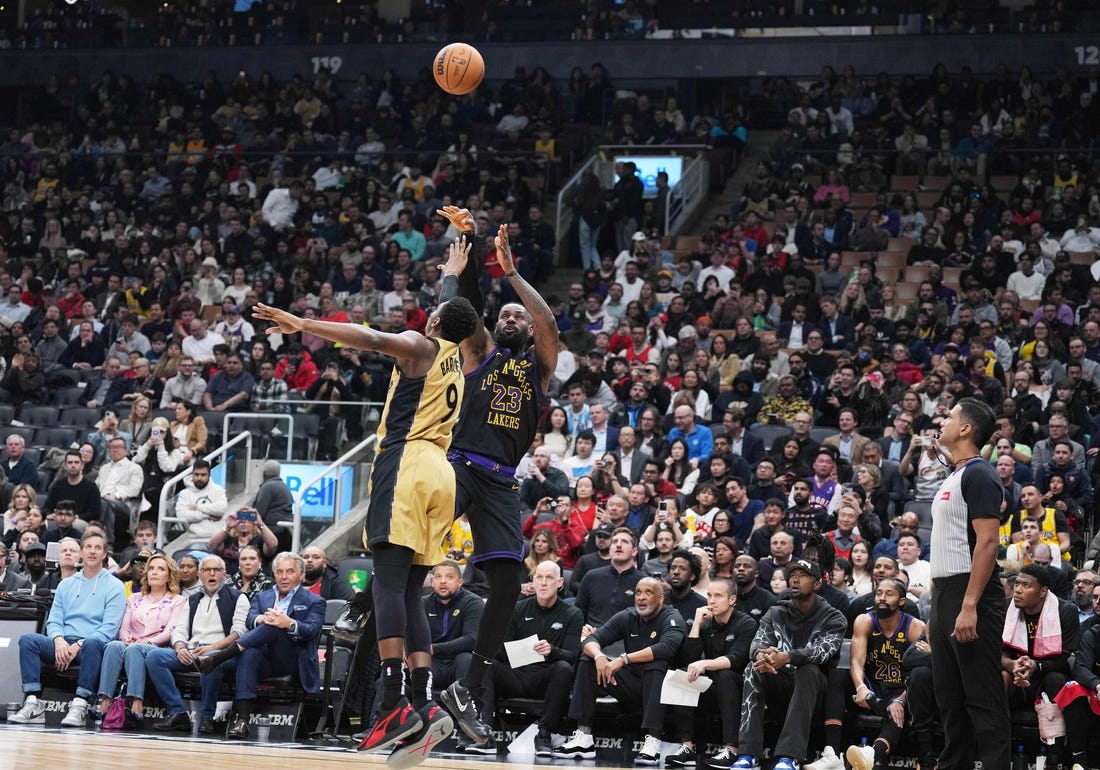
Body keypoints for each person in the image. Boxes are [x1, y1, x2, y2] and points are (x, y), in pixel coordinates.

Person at [253, 235, 480, 762]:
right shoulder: (459, 356)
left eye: (435, 310)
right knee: (411, 591)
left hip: (406, 465)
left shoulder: (422, 346)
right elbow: (453, 310)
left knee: (386, 585)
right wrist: (455, 269)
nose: (428, 313)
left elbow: (368, 336)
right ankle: (424, 704)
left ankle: (395, 701)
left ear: (436, 323)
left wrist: (304, 324)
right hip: (441, 476)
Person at [421, 209, 559, 746]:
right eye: (504, 315)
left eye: (516, 316)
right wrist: (469, 243)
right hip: (459, 465)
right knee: (415, 542)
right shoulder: (479, 352)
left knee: (506, 583)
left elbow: (547, 324)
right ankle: (369, 617)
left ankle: (468, 687)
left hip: (501, 482)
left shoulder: (538, 366)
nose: (511, 319)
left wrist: (515, 275)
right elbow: (461, 310)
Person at [928, 397, 1011, 770]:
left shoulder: (980, 474)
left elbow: (988, 543)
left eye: (950, 416)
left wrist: (969, 605)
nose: (943, 420)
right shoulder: (960, 472)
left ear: (965, 429)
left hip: (969, 592)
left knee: (982, 695)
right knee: (949, 696)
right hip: (944, 592)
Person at [192, 552, 325, 739]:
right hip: (261, 658)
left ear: (300, 575)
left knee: (276, 626)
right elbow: (250, 618)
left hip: (291, 658)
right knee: (251, 651)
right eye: (279, 572)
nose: (284, 577)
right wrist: (261, 618)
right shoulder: (262, 597)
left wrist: (289, 623)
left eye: (289, 572)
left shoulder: (314, 601)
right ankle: (234, 720)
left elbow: (313, 630)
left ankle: (219, 656)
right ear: (274, 575)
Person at [731, 558, 846, 770]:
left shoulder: (833, 617)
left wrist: (787, 657)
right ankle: (748, 752)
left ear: (817, 583)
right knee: (753, 669)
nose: (795, 580)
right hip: (780, 682)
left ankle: (789, 756)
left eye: (802, 576)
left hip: (817, 694)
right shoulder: (777, 611)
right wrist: (762, 657)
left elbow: (822, 653)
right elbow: (756, 645)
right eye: (792, 576)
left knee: (808, 669)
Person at [559, 577, 687, 764]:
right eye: (638, 593)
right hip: (632, 687)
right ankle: (583, 736)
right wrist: (599, 656)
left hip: (664, 692)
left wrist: (623, 658)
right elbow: (591, 640)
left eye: (648, 593)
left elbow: (667, 647)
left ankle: (653, 740)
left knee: (656, 664)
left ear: (660, 598)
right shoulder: (627, 616)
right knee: (588, 661)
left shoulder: (672, 617)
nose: (641, 598)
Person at [10, 532, 126, 727]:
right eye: (88, 547)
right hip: (64, 642)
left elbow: (109, 628)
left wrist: (78, 644)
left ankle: (80, 704)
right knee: (28, 640)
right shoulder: (66, 584)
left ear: (105, 554)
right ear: (81, 552)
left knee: (93, 642)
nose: (92, 551)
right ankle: (33, 702)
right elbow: (54, 621)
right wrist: (59, 640)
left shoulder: (115, 586)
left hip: (91, 645)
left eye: (98, 548)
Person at [475, 560, 583, 758]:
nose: (543, 583)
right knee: (485, 663)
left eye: (549, 578)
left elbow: (572, 655)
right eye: (539, 577)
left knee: (563, 668)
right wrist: (520, 650)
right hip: (515, 675)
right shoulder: (517, 609)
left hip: (544, 679)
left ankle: (544, 734)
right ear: (532, 581)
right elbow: (499, 650)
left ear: (559, 582)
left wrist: (552, 651)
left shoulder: (572, 614)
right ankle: (484, 731)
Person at [147, 555, 251, 733]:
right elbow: (179, 630)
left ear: (224, 575)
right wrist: (180, 648)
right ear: (200, 575)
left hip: (223, 654)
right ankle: (178, 713)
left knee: (210, 660)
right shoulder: (192, 599)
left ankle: (206, 717)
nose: (211, 574)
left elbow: (239, 632)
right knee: (154, 656)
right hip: (192, 652)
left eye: (216, 570)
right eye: (206, 570)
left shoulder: (238, 598)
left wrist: (213, 648)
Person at [666, 576, 758, 769]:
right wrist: (697, 624)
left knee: (725, 675)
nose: (712, 600)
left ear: (732, 600)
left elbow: (736, 659)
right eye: (709, 595)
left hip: (743, 687)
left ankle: (732, 749)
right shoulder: (707, 624)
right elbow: (689, 660)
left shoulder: (746, 623)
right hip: (714, 686)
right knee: (683, 675)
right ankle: (687, 746)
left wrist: (704, 663)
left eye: (718, 596)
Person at [840, 577, 925, 770]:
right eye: (879, 593)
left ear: (902, 601)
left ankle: (871, 753)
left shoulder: (914, 627)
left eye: (889, 594)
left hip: (901, 692)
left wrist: (901, 700)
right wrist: (861, 687)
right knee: (838, 676)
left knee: (896, 713)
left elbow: (921, 673)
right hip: (872, 689)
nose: (882, 598)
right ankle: (832, 751)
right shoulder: (864, 621)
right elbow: (856, 661)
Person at [1000, 563, 1079, 768]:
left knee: (1057, 680)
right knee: (1000, 677)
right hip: (1015, 678)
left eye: (1026, 585)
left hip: (1046, 677)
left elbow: (1064, 660)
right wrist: (1012, 665)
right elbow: (996, 652)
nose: (1017, 590)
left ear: (1043, 591)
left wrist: (1036, 666)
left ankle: (1055, 758)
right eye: (1016, 584)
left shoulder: (1066, 610)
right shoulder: (1005, 607)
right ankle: (997, 753)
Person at [93, 554, 186, 728]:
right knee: (113, 645)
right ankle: (104, 701)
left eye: (160, 569)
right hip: (132, 644)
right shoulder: (134, 599)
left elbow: (170, 631)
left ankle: (137, 703)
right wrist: (126, 638)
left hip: (159, 647)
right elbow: (124, 629)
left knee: (133, 650)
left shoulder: (178, 600)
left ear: (169, 575)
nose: (154, 572)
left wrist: (147, 643)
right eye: (151, 568)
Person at [423, 561, 484, 697]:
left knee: (466, 659)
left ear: (460, 582)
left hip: (457, 663)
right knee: (394, 673)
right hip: (433, 663)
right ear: (432, 581)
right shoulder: (423, 603)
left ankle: (470, 712)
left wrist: (434, 648)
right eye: (438, 577)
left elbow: (472, 639)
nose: (443, 581)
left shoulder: (473, 603)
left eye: (449, 577)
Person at [175, 459, 229, 540]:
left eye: (203, 475)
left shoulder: (218, 490)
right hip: (194, 539)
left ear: (209, 475)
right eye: (196, 475)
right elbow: (181, 515)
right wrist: (207, 515)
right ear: (192, 475)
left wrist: (197, 507)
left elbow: (221, 509)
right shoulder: (184, 494)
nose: (199, 478)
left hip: (218, 539)